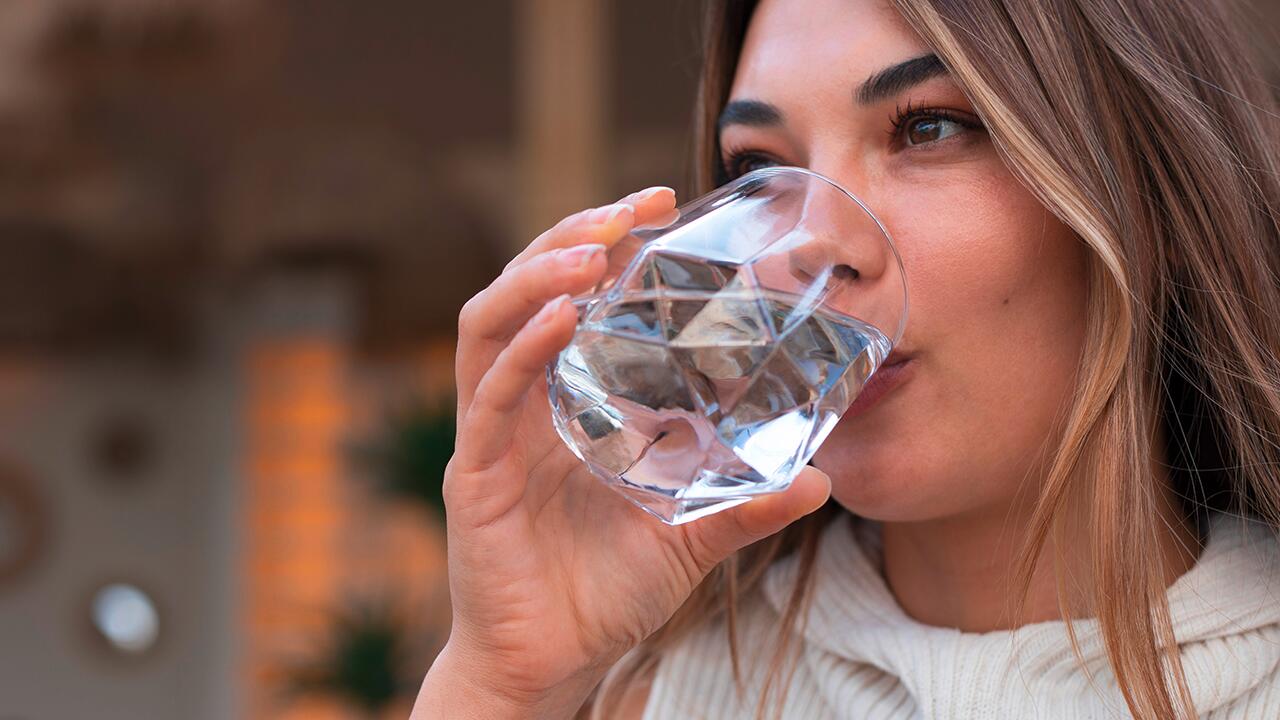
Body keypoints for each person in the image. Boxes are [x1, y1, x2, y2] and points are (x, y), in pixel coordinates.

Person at [414, 0, 1280, 716]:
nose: (808, 244)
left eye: (928, 127)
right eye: (759, 166)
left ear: (1145, 193)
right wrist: (504, 684)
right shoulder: (660, 695)